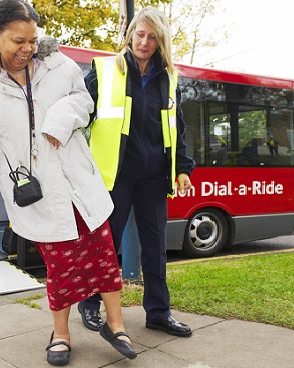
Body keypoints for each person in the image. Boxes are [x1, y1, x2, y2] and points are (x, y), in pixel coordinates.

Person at [0, 0, 136, 365]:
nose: (28, 48)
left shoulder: (58, 65)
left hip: (79, 182)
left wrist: (60, 119)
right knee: (61, 264)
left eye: (32, 40)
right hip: (37, 192)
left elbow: (84, 101)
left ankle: (116, 324)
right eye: (19, 40)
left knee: (103, 253)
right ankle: (60, 334)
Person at [78, 6, 196, 338]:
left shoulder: (169, 79)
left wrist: (183, 168)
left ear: (161, 42)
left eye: (152, 37)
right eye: (139, 34)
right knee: (104, 245)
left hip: (155, 177)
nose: (144, 42)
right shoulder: (104, 70)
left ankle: (158, 312)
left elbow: (178, 128)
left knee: (156, 247)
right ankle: (89, 306)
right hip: (114, 177)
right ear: (130, 35)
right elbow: (80, 117)